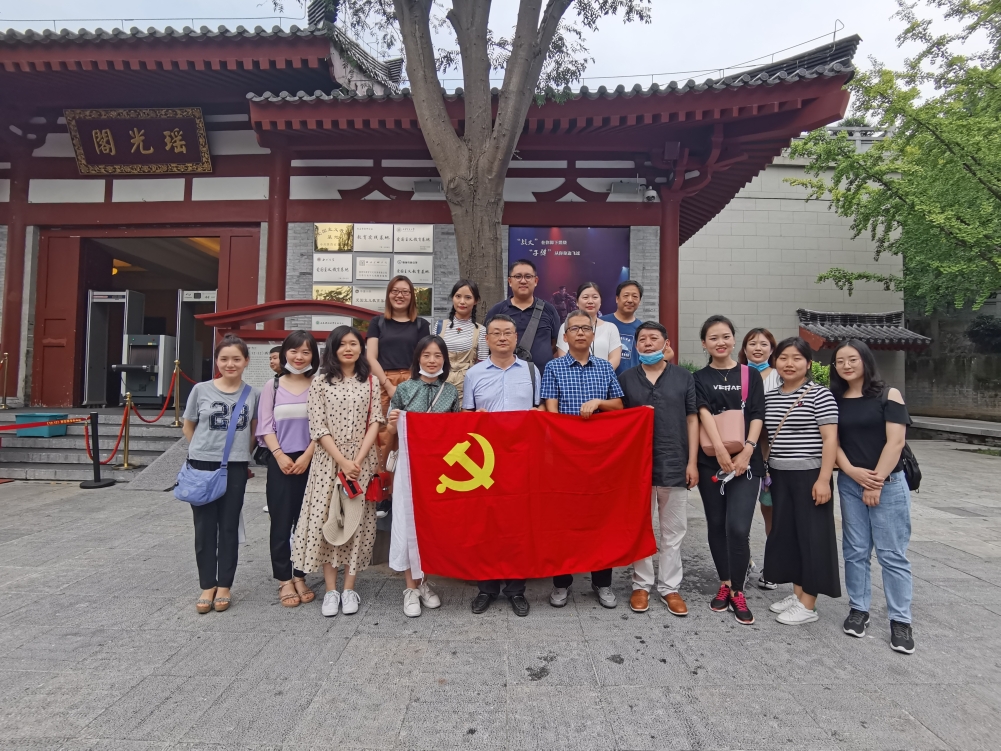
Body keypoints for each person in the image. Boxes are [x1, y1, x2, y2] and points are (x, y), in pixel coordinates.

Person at [292, 326, 384, 617]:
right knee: (328, 520)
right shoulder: (320, 382)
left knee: (357, 523)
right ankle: (331, 590)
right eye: (342, 344)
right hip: (327, 463)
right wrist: (342, 461)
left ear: (361, 349)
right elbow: (318, 427)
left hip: (361, 463)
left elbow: (376, 421)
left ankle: (349, 588)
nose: (348, 349)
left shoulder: (370, 381)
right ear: (332, 348)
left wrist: (357, 459)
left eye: (353, 343)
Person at [831, 339, 915, 654]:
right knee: (855, 550)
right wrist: (851, 471)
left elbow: (896, 442)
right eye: (840, 361)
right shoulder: (834, 399)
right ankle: (859, 609)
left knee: (892, 553)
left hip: (888, 483)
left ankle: (900, 621)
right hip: (851, 483)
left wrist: (875, 482)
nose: (846, 365)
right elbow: (832, 441)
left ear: (865, 360)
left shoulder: (888, 395)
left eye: (852, 359)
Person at [541, 309, 625, 609]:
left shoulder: (604, 368)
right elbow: (551, 412)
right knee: (562, 519)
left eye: (585, 328)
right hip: (564, 455)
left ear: (593, 335)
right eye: (574, 328)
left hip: (599, 455)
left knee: (600, 517)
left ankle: (602, 582)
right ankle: (562, 583)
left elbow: (619, 405)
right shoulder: (553, 367)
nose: (580, 332)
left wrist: (599, 402)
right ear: (565, 336)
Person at [464, 314, 542, 616]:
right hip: (485, 461)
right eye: (495, 333)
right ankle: (486, 588)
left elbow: (538, 411)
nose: (502, 338)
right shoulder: (474, 373)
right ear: (487, 339)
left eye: (507, 333)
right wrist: (476, 419)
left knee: (519, 524)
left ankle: (516, 589)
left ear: (515, 337)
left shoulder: (532, 371)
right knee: (485, 522)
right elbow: (466, 417)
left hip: (521, 458)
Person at [619, 322, 698, 616]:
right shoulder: (627, 378)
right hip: (637, 466)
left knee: (673, 530)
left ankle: (669, 587)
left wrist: (692, 462)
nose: (648, 343)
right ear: (636, 345)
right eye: (642, 339)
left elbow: (692, 419)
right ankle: (641, 584)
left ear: (666, 344)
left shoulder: (683, 377)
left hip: (675, 461)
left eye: (654, 338)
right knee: (641, 527)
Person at [763, 337, 841, 626]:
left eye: (797, 358)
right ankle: (798, 594)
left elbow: (830, 438)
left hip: (810, 475)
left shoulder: (820, 395)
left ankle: (808, 604)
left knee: (812, 537)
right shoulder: (771, 397)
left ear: (808, 363)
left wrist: (824, 479)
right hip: (779, 475)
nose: (789, 363)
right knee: (789, 535)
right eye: (783, 358)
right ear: (775, 362)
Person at [692, 315, 765, 625]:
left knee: (737, 528)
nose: (720, 342)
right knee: (716, 524)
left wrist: (748, 449)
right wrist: (720, 450)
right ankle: (725, 583)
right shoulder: (699, 377)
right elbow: (703, 412)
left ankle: (738, 589)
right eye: (713, 338)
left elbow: (758, 413)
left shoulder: (750, 374)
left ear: (734, 340)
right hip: (712, 460)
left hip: (746, 463)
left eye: (725, 336)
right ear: (704, 344)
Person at [182, 334, 260, 614]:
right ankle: (207, 585)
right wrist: (202, 451)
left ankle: (225, 584)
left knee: (228, 526)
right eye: (224, 359)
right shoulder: (201, 390)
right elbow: (188, 426)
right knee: (204, 528)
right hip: (201, 465)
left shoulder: (252, 394)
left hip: (235, 467)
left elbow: (254, 430)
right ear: (216, 361)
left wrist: (241, 455)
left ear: (246, 361)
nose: (230, 364)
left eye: (236, 359)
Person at [387, 335, 460, 617]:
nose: (432, 360)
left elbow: (455, 429)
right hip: (409, 466)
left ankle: (424, 582)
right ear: (418, 358)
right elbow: (390, 431)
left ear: (445, 360)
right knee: (407, 522)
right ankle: (410, 587)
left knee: (431, 524)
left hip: (439, 468)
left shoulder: (450, 391)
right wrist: (394, 423)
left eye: (438, 355)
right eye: (427, 355)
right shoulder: (404, 389)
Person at [256, 330, 319, 609]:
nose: (299, 356)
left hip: (312, 460)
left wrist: (307, 456)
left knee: (305, 522)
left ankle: (300, 575)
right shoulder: (272, 386)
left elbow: (323, 426)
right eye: (294, 351)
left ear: (313, 356)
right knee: (281, 522)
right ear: (284, 354)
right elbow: (265, 426)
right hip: (279, 460)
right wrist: (279, 455)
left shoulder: (318, 384)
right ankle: (284, 579)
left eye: (306, 351)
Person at [366, 275, 431, 467]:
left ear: (412, 296)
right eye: (395, 291)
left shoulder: (421, 325)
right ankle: (383, 480)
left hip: (414, 381)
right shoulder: (377, 323)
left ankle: (412, 477)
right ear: (388, 295)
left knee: (413, 430)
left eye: (405, 292)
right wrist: (388, 385)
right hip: (383, 382)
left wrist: (407, 386)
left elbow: (424, 357)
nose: (399, 295)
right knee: (383, 433)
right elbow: (371, 357)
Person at [738, 327, 780, 589]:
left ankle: (773, 566)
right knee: (739, 514)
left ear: (772, 349)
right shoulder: (738, 375)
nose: (757, 348)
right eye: (752, 343)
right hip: (742, 453)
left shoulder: (779, 376)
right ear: (744, 348)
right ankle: (743, 562)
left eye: (764, 344)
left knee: (771, 512)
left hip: (772, 456)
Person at [485, 259, 560, 371]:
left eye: (528, 276)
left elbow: (555, 344)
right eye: (518, 276)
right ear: (510, 281)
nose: (523, 281)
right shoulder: (497, 310)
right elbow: (488, 342)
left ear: (536, 280)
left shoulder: (549, 310)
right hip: (504, 375)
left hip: (543, 376)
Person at [433, 279, 489, 401]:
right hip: (439, 386)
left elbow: (482, 365)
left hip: (467, 388)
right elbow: (431, 357)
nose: (462, 301)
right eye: (458, 296)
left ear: (476, 301)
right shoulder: (439, 326)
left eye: (468, 297)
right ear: (452, 298)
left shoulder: (481, 330)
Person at [556, 282, 622, 371]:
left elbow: (615, 359)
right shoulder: (566, 327)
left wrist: (598, 376)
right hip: (573, 378)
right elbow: (563, 358)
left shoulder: (611, 328)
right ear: (577, 302)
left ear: (600, 301)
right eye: (585, 297)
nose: (590, 301)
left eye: (595, 297)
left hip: (604, 378)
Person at [601, 280, 643, 375]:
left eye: (635, 296)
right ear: (617, 299)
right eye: (626, 295)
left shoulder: (642, 328)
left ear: (639, 301)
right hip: (603, 379)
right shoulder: (602, 322)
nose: (630, 300)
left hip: (632, 381)